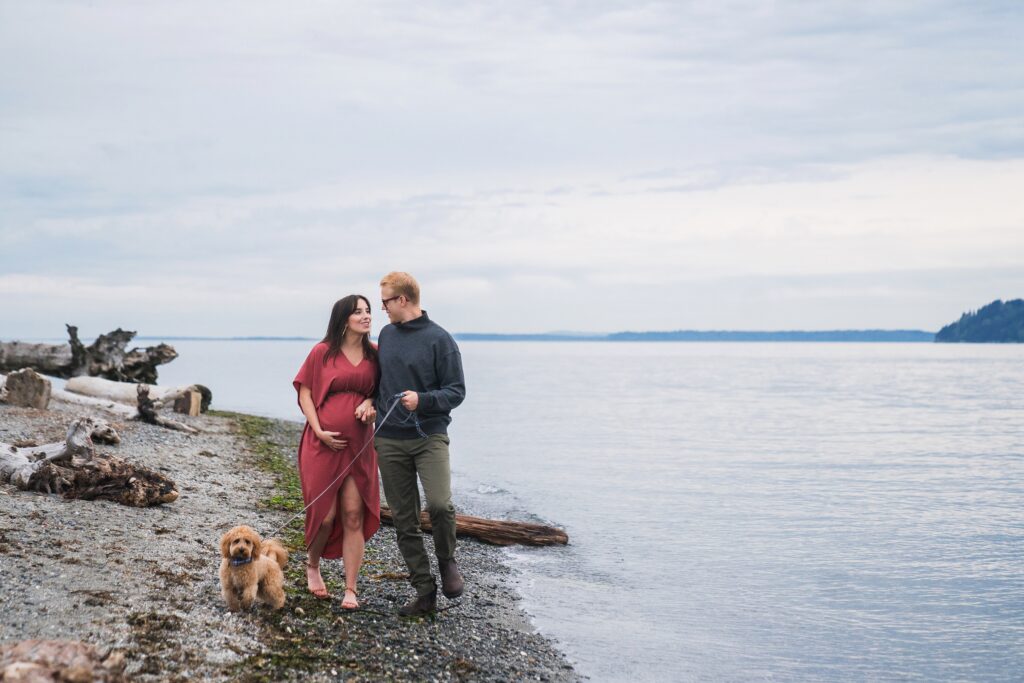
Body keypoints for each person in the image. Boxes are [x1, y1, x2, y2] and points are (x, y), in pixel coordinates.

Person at [375, 271, 466, 616]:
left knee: (441, 505)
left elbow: (456, 391)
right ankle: (424, 591)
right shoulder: (386, 335)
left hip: (429, 437)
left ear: (402, 300)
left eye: (385, 301)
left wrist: (423, 400)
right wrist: (370, 401)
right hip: (389, 439)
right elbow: (380, 379)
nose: (381, 308)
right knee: (404, 519)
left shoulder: (440, 340)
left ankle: (447, 562)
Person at [293, 294, 380, 609]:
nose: (366, 315)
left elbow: (381, 393)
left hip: (359, 447)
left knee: (354, 515)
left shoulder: (375, 354)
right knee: (326, 516)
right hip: (322, 445)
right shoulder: (322, 352)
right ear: (344, 319)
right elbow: (305, 392)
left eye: (368, 310)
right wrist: (318, 430)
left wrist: (370, 404)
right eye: (359, 311)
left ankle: (351, 589)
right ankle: (313, 565)